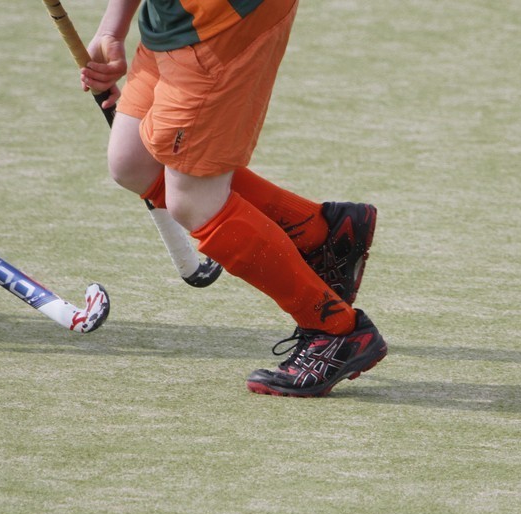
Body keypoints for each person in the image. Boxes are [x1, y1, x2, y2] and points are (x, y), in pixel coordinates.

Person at [82, 0, 387, 397]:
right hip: (175, 20)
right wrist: (113, 26)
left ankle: (335, 330)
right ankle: (321, 233)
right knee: (133, 161)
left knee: (193, 201)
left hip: (216, 26)